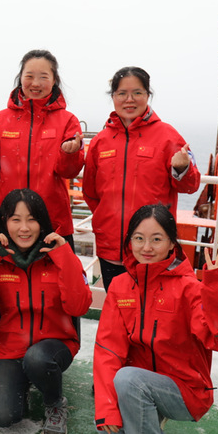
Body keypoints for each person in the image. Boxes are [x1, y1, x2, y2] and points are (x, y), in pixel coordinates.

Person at [93, 203, 218, 434]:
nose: (146, 247)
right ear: (129, 241)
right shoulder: (120, 287)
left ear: (172, 243)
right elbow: (108, 349)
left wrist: (216, 287)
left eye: (156, 239)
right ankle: (149, 412)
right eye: (138, 238)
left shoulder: (189, 288)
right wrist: (107, 408)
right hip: (140, 383)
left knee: (129, 381)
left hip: (185, 390)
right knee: (108, 430)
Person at [0, 189, 92, 434]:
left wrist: (64, 255)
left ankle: (55, 403)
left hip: (55, 347)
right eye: (15, 219)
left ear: (42, 223)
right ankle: (24, 380)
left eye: (32, 219)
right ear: (4, 223)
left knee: (37, 359)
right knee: (2, 416)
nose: (24, 228)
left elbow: (79, 307)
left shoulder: (59, 256)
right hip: (10, 350)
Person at [83, 66, 200, 292]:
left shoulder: (168, 136)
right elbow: (90, 192)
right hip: (111, 250)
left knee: (154, 310)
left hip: (152, 251)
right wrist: (108, 220)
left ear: (148, 95)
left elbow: (190, 186)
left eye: (137, 93)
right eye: (122, 93)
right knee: (120, 307)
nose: (129, 100)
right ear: (113, 97)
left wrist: (183, 168)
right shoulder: (100, 141)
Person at [0, 50, 84, 247]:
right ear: (20, 78)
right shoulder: (1, 120)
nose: (35, 83)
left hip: (53, 223)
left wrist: (70, 154)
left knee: (60, 268)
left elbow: (69, 172)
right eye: (29, 76)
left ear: (54, 80)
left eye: (43, 77)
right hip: (10, 222)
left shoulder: (68, 120)